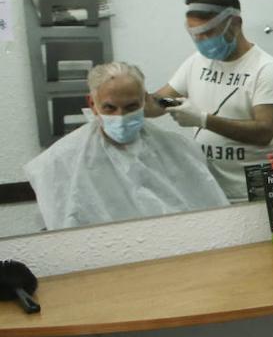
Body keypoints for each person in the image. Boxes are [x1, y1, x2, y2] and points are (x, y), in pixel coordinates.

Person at [24, 62, 229, 230]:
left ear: (144, 100)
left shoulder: (179, 151)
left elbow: (208, 217)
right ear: (92, 103)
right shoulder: (60, 162)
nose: (120, 116)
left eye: (131, 107)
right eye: (110, 108)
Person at [149, 0, 273, 201]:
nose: (202, 41)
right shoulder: (197, 62)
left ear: (235, 24)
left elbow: (264, 132)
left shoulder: (265, 68)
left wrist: (203, 120)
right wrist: (123, 102)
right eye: (196, 35)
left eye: (209, 33)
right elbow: (157, 103)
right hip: (210, 190)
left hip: (254, 192)